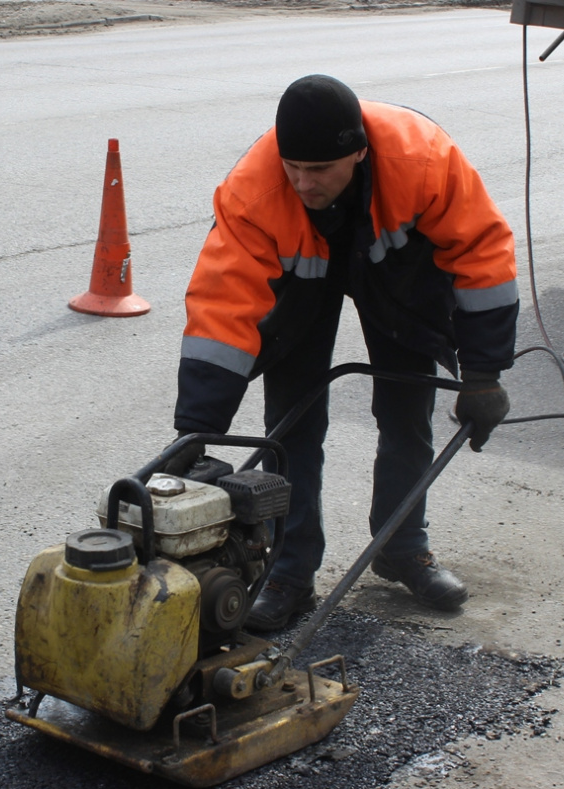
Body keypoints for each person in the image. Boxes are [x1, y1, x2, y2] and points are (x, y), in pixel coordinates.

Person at [167, 75, 518, 631]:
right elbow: (222, 309)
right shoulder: (253, 192)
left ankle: (402, 549)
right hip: (301, 281)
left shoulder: (422, 160)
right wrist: (196, 431)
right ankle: (289, 570)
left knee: (406, 415)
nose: (304, 184)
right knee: (291, 428)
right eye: (294, 168)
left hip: (396, 275)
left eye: (320, 170)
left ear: (358, 152)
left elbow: (482, 253)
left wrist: (482, 374)